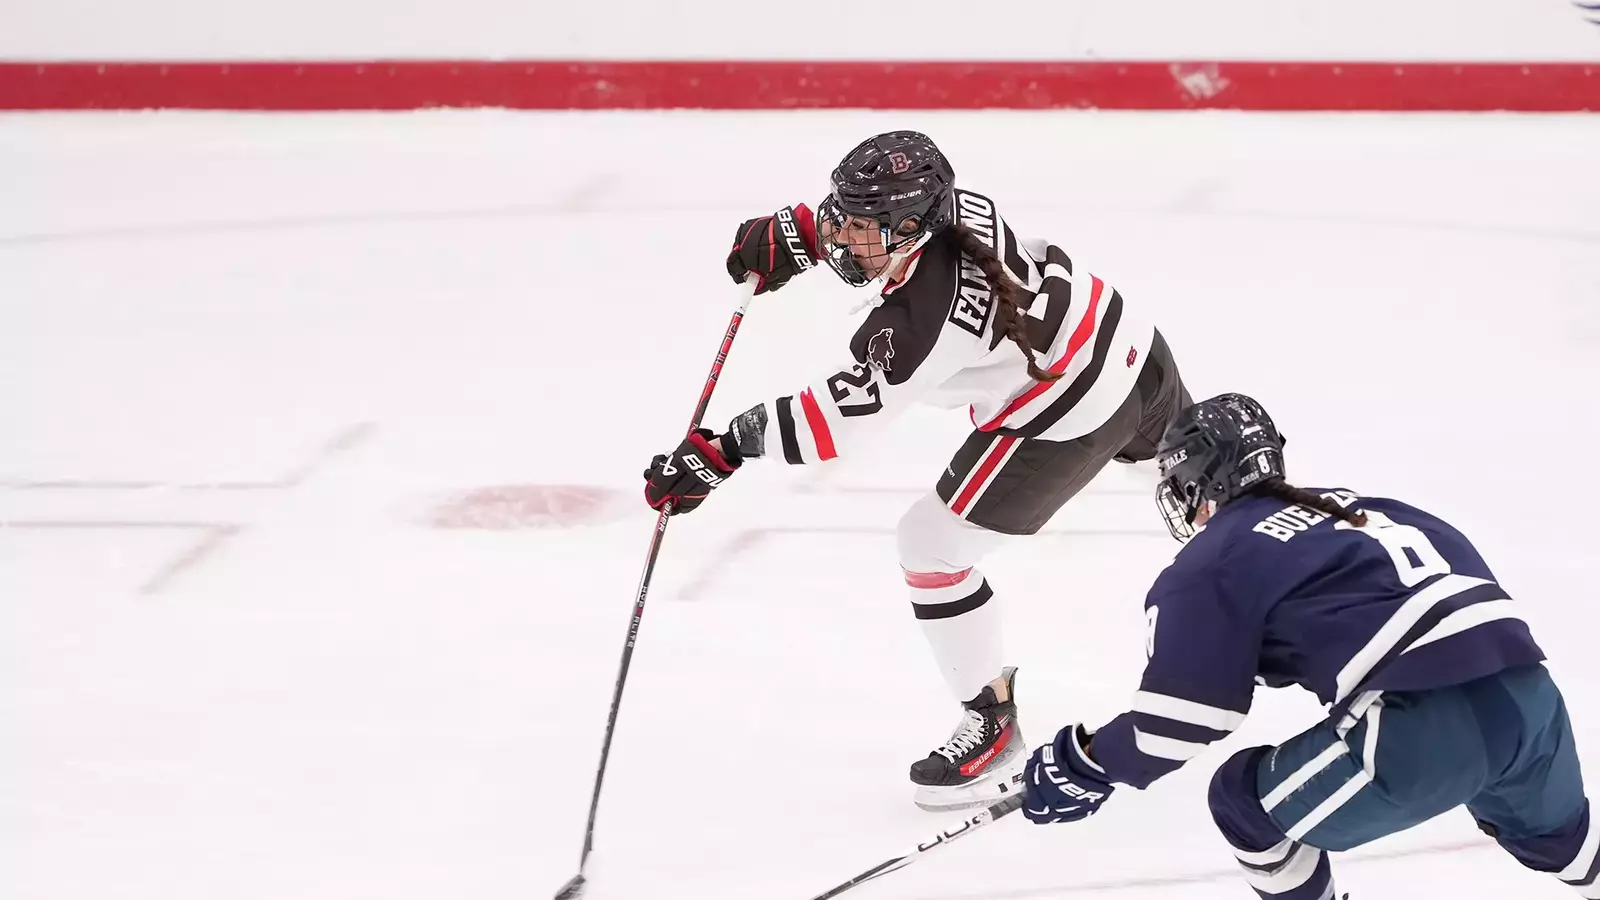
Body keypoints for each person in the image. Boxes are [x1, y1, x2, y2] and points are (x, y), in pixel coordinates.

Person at [640, 130, 1192, 812]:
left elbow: (838, 420)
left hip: (1071, 407)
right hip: (1125, 336)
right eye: (840, 214)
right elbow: (870, 222)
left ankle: (992, 724)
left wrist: (726, 447)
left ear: (909, 229)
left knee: (930, 548)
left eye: (860, 228)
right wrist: (802, 232)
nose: (844, 236)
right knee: (1222, 511)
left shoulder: (923, 322)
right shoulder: (955, 211)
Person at [1020, 393, 1591, 900]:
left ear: (1197, 482)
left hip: (1417, 730)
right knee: (1568, 847)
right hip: (1531, 700)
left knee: (1245, 805)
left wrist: (1086, 761)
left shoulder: (1214, 557)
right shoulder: (1365, 508)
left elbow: (1178, 726)